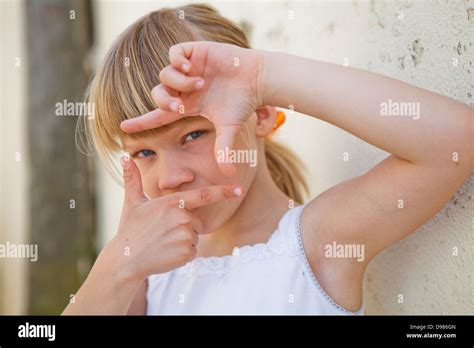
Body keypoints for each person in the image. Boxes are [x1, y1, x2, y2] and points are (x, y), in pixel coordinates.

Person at [63, 4, 473, 315]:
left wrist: (262, 78)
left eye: (192, 135)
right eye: (145, 152)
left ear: (258, 114)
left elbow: (456, 141)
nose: (170, 178)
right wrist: (120, 262)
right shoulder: (148, 276)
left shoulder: (315, 245)